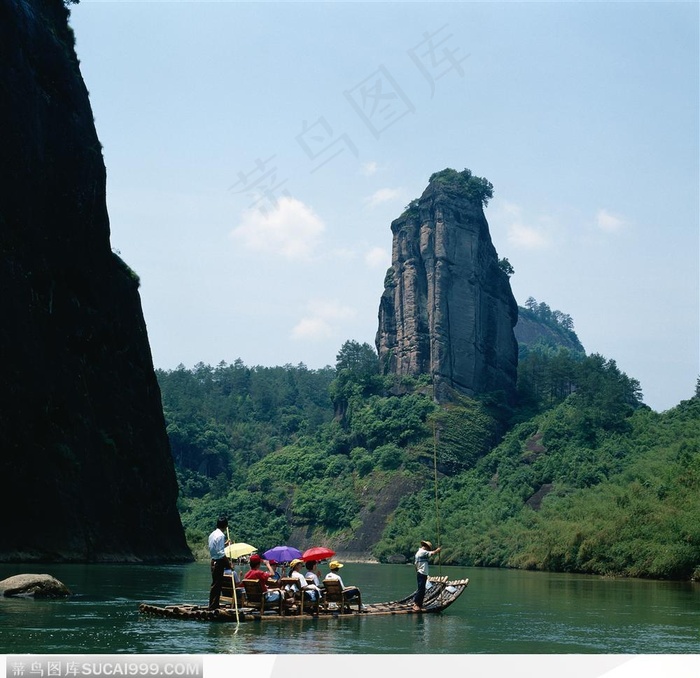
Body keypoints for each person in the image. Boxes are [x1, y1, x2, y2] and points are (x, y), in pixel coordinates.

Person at [207, 515, 231, 610]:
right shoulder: (221, 535)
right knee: (217, 585)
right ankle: (213, 606)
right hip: (218, 562)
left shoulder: (212, 534)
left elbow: (215, 548)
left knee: (215, 584)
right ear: (225, 526)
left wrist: (225, 544)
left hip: (213, 561)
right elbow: (221, 553)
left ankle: (213, 605)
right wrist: (229, 564)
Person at [412, 539, 441, 611]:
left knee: (422, 589)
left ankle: (420, 604)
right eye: (428, 548)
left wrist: (417, 571)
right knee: (421, 589)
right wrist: (437, 550)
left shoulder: (419, 553)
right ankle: (416, 604)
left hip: (421, 573)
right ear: (426, 547)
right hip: (422, 573)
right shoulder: (422, 552)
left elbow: (415, 565)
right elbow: (432, 553)